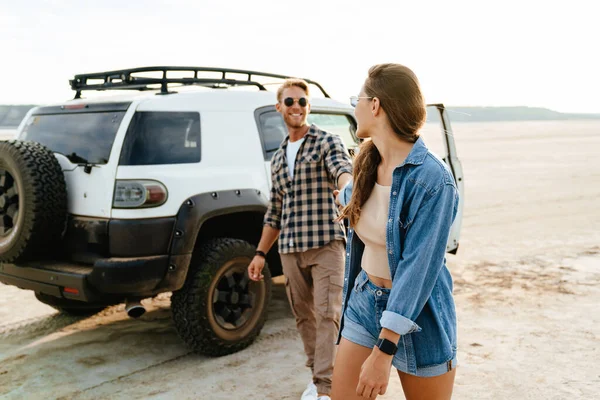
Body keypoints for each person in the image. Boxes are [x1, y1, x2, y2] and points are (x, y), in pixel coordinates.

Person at [330, 64, 460, 400]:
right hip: (365, 299)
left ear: (375, 106)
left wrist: (385, 349)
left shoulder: (434, 181)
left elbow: (419, 268)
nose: (354, 107)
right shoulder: (366, 162)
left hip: (419, 316)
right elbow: (355, 203)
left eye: (357, 99)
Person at [248, 78, 353, 400]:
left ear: (308, 107)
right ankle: (317, 376)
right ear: (279, 107)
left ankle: (326, 388)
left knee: (327, 314)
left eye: (302, 102)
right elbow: (274, 211)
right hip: (290, 249)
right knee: (304, 316)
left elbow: (342, 168)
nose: (297, 107)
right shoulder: (278, 158)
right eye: (290, 102)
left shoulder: (326, 141)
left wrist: (348, 189)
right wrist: (260, 254)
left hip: (326, 244)